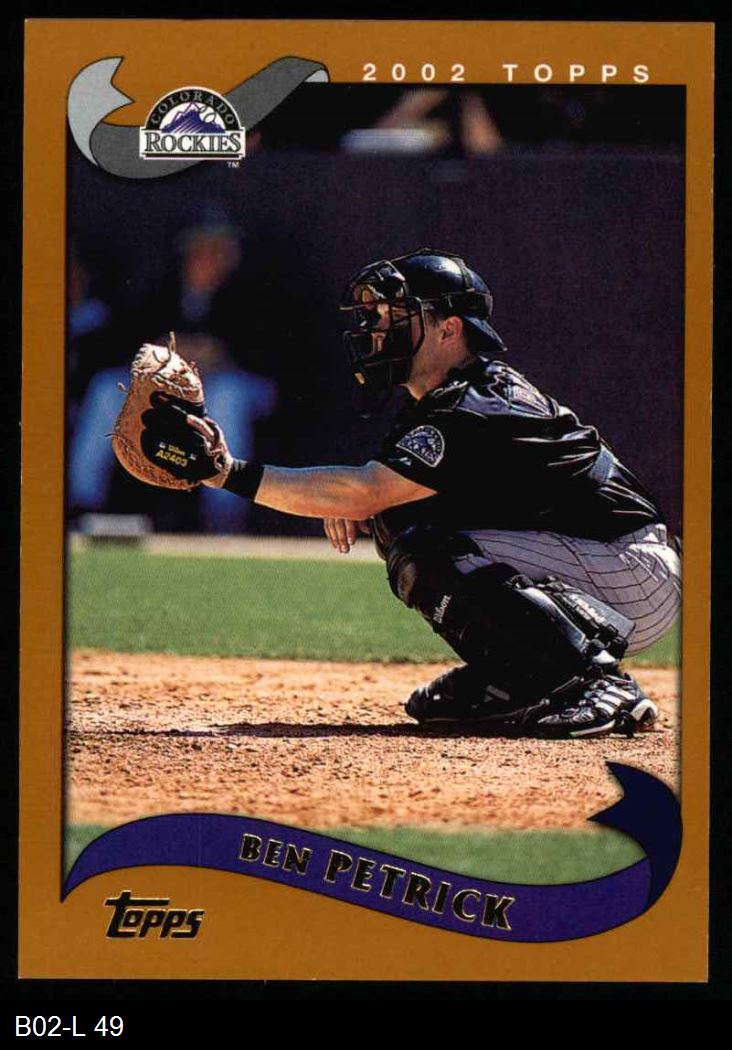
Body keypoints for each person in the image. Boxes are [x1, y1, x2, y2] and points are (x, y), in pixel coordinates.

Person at [140, 249, 681, 738]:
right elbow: (372, 495)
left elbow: (366, 491)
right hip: (600, 562)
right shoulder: (442, 399)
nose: (376, 328)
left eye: (394, 314)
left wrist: (225, 472)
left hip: (631, 568)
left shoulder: (473, 401)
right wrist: (360, 501)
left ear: (449, 329)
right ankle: (521, 673)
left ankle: (593, 682)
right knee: (400, 523)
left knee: (422, 545)